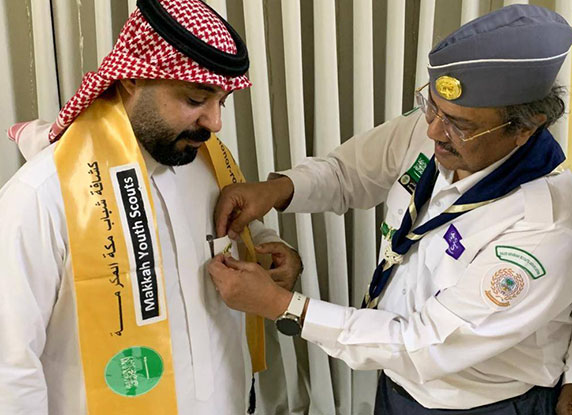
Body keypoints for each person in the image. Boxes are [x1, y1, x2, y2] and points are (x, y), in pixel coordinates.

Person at [209, 4, 572, 414]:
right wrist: (277, 189)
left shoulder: (546, 228)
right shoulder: (434, 128)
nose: (433, 130)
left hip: (483, 402)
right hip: (396, 380)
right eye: (432, 107)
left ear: (526, 127)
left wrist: (281, 305)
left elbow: (422, 343)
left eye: (460, 124)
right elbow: (347, 173)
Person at [0, 0, 301, 414]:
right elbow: (10, 367)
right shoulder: (41, 196)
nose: (215, 123)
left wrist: (268, 245)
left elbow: (226, 235)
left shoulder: (208, 163)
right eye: (195, 99)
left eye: (222, 102)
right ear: (131, 80)